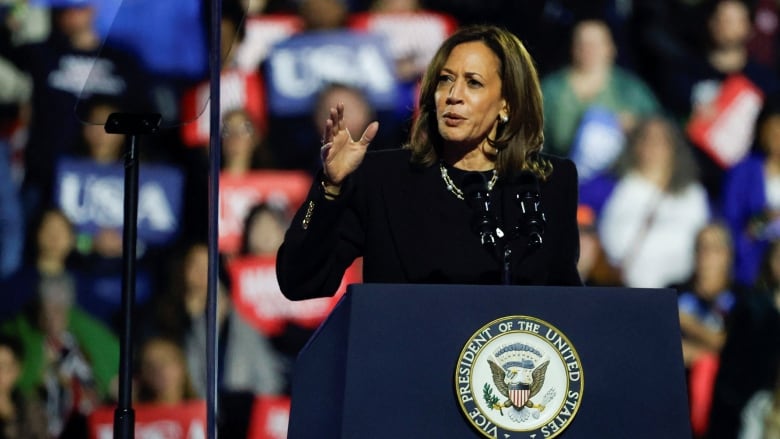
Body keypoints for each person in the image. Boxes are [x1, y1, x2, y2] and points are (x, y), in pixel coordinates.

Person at [276, 24, 582, 300]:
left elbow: (566, 301)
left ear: (507, 103)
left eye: (473, 83)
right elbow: (300, 282)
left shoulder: (548, 183)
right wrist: (330, 187)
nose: (453, 95)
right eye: (445, 80)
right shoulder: (383, 179)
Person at [598, 115, 710, 288]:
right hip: (622, 290)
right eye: (646, 138)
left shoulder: (693, 195)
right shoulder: (611, 188)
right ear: (635, 145)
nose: (653, 147)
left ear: (675, 148)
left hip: (679, 294)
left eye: (662, 141)